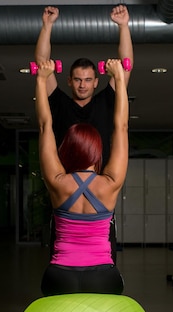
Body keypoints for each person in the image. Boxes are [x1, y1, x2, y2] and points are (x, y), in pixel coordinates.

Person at [35, 4, 133, 263]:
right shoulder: (59, 103)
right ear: (69, 80)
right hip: (65, 187)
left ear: (96, 81)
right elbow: (43, 67)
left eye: (88, 79)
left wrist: (123, 27)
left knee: (101, 254)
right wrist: (47, 28)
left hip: (100, 187)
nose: (82, 84)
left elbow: (126, 68)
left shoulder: (105, 101)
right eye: (77, 79)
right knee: (63, 254)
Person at [34, 58, 129, 296]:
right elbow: (121, 127)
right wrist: (119, 78)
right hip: (103, 277)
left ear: (65, 149)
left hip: (59, 276)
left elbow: (45, 126)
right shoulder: (109, 184)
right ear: (98, 150)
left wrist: (40, 79)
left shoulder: (57, 182)